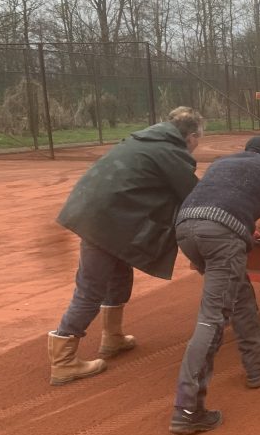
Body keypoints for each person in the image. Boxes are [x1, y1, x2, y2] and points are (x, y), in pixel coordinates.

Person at [48, 107, 203, 385]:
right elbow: (195, 195)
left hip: (101, 214)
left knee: (120, 273)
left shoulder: (141, 141)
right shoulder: (169, 153)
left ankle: (113, 337)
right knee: (91, 288)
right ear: (191, 136)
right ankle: (63, 360)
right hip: (105, 221)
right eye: (199, 140)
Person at [169, 136, 260, 435]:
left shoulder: (222, 163)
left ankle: (257, 367)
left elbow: (217, 198)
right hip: (220, 234)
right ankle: (187, 409)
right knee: (211, 319)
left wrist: (240, 229)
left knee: (239, 295)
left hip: (185, 227)